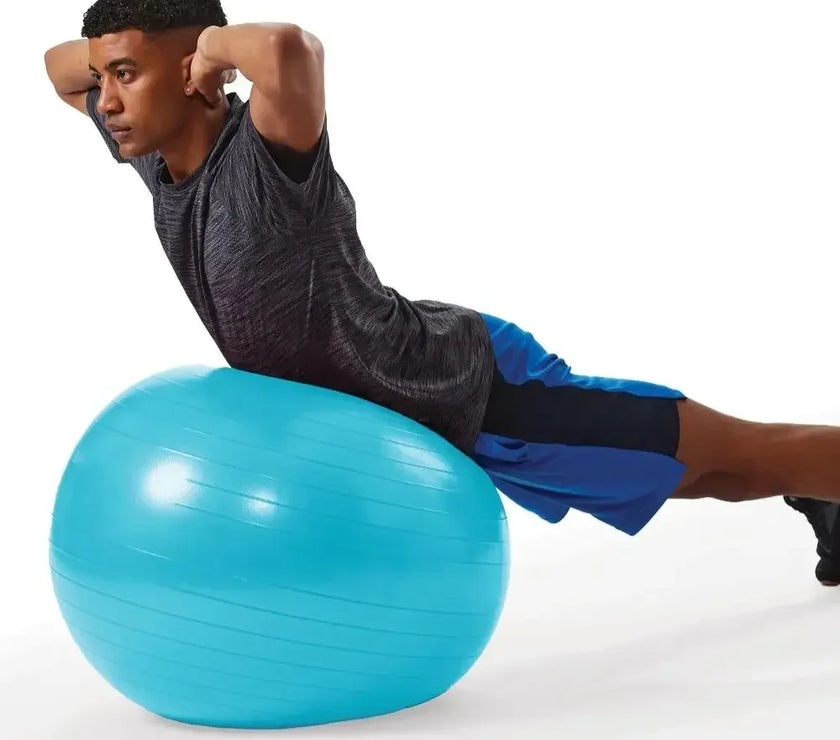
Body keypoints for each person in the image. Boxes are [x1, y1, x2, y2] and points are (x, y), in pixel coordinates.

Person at [44, 0, 839, 584]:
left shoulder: (269, 155)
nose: (105, 101)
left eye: (125, 77)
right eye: (105, 78)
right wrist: (129, 50)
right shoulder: (156, 159)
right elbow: (55, 68)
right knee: (694, 477)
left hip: (470, 386)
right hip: (398, 419)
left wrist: (207, 43)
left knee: (727, 459)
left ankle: (816, 479)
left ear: (195, 80)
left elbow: (289, 47)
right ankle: (818, 496)